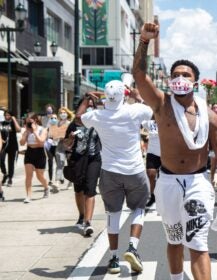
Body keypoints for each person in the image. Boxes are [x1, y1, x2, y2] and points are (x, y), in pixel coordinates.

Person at [133, 22, 217, 280]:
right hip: (168, 182)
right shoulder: (161, 105)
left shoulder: (210, 117)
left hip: (197, 183)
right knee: (175, 239)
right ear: (171, 81)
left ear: (195, 81)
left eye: (186, 75)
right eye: (176, 75)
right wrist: (144, 41)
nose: (181, 78)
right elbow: (139, 75)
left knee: (198, 243)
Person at [80, 84, 152, 274]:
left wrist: (90, 101)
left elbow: (80, 117)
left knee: (113, 214)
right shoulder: (134, 110)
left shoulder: (97, 116)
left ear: (106, 96)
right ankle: (132, 248)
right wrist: (137, 96)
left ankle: (113, 259)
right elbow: (150, 111)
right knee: (138, 208)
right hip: (135, 171)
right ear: (123, 95)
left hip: (109, 172)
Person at [63, 100, 101, 237]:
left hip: (94, 159)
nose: (89, 108)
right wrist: (71, 139)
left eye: (92, 106)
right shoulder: (73, 124)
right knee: (79, 190)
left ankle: (88, 222)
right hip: (78, 159)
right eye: (87, 106)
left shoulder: (98, 122)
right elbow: (66, 145)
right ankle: (81, 215)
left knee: (90, 189)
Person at [19, 112, 49, 203]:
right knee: (28, 176)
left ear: (35, 120)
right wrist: (26, 133)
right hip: (29, 152)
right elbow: (22, 143)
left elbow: (41, 142)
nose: (28, 123)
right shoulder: (26, 130)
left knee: (39, 176)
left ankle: (46, 187)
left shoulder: (42, 129)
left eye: (30, 121)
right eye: (27, 121)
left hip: (39, 153)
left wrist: (35, 132)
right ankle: (28, 196)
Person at [142, 118, 161, 208]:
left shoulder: (167, 121)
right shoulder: (148, 123)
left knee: (163, 177)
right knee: (151, 174)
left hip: (165, 154)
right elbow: (137, 123)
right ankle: (153, 196)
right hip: (152, 153)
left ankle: (162, 196)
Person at [0, 110, 21, 186]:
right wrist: (1, 139)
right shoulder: (2, 123)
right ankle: (5, 174)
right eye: (5, 115)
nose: (7, 116)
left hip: (12, 145)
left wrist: (14, 120)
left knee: (11, 163)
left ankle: (10, 178)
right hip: (3, 145)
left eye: (8, 115)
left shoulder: (13, 123)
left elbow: (19, 130)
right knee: (1, 160)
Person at [54, 107, 73, 188]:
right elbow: (53, 133)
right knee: (60, 163)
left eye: (64, 112)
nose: (63, 114)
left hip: (69, 145)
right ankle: (57, 182)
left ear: (67, 114)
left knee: (70, 164)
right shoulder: (56, 123)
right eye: (61, 113)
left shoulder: (70, 123)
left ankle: (71, 182)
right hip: (60, 145)